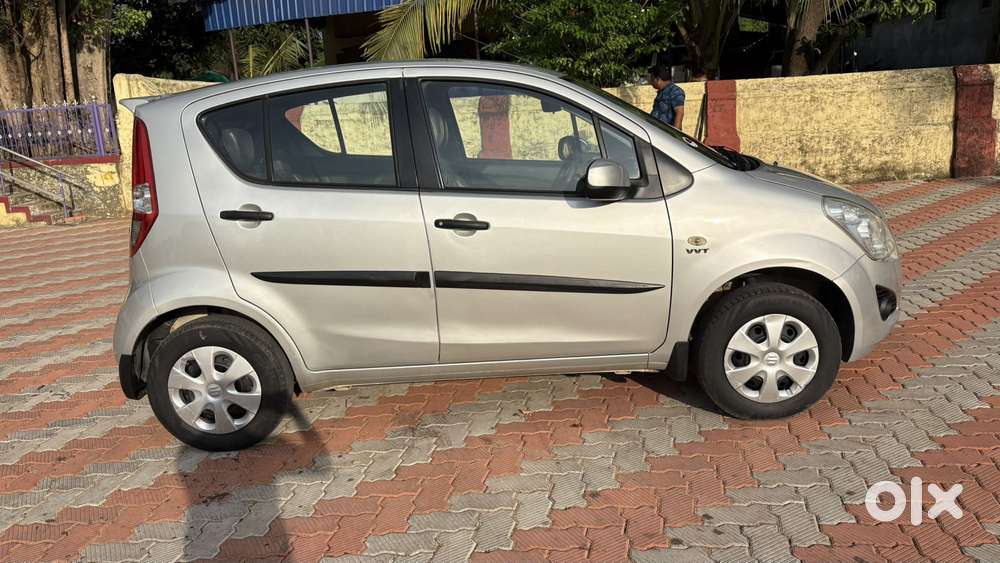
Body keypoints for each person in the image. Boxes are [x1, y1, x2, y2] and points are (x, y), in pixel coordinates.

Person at [648, 64, 685, 130]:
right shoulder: (661, 92)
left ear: (658, 79)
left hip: (666, 135)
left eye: (652, 79)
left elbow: (679, 113)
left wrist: (674, 136)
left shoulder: (675, 91)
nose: (651, 82)